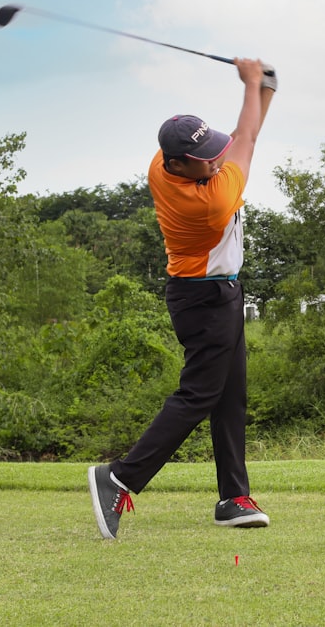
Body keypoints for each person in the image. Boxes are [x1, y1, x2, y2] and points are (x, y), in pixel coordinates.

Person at [88, 58, 276, 540]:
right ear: (178, 164)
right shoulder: (210, 200)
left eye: (213, 153)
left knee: (230, 398)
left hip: (221, 291)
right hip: (203, 298)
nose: (216, 159)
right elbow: (248, 139)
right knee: (199, 395)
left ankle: (233, 497)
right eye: (206, 158)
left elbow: (237, 138)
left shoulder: (163, 162)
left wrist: (264, 88)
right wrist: (254, 83)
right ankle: (121, 477)